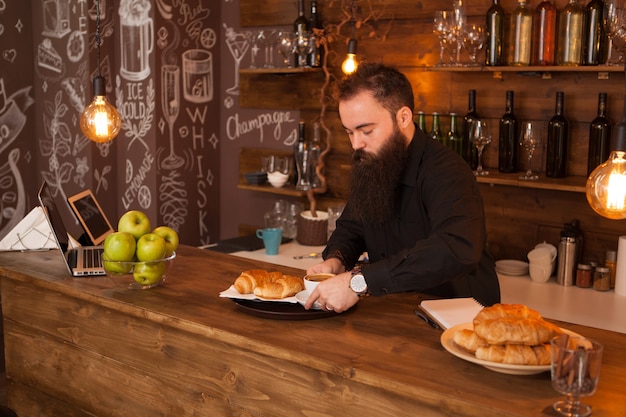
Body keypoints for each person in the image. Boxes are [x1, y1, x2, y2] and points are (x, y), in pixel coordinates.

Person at [304, 62, 500, 313]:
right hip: (396, 310)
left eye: (366, 130)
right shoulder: (372, 161)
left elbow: (455, 248)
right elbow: (352, 226)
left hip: (459, 315)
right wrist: (336, 259)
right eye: (349, 132)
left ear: (403, 117)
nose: (356, 144)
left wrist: (360, 282)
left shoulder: (447, 171)